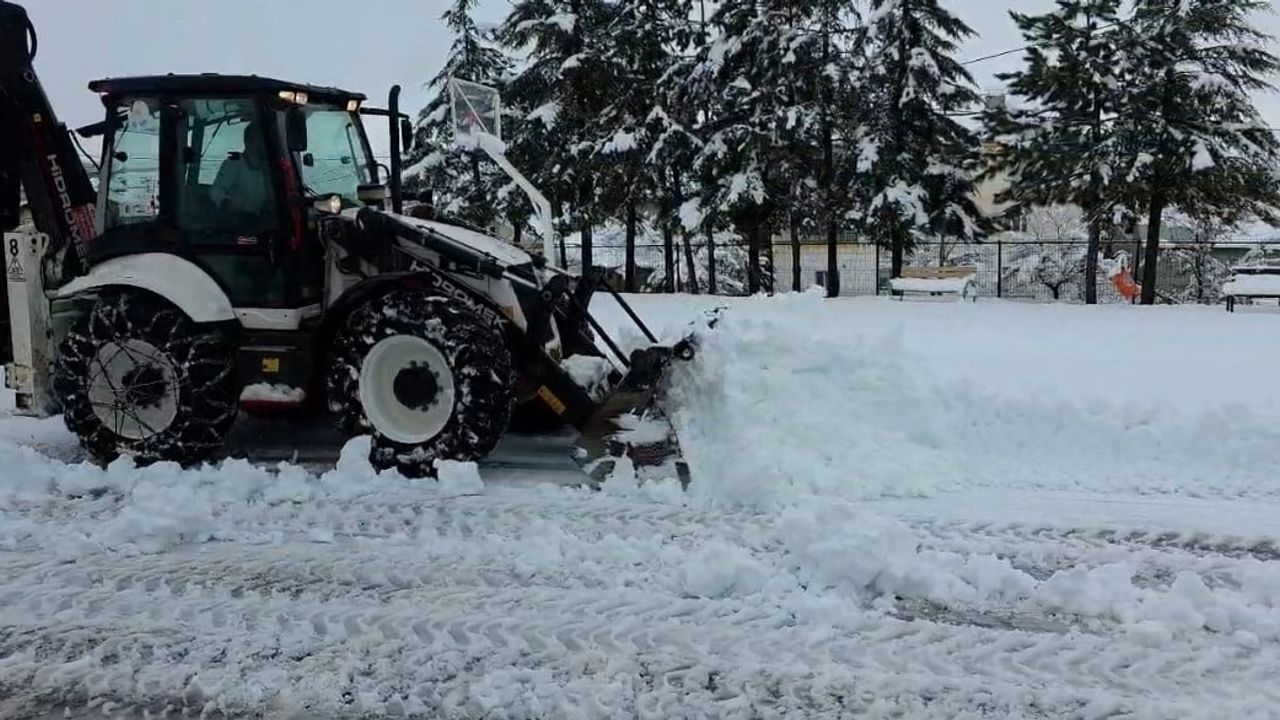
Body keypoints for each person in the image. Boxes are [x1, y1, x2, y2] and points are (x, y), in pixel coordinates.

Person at [209, 119, 272, 218]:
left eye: (264, 139)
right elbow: (216, 191)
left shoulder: (270, 168)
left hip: (259, 222)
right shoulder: (233, 162)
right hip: (234, 221)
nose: (262, 143)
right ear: (247, 141)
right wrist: (226, 202)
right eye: (258, 139)